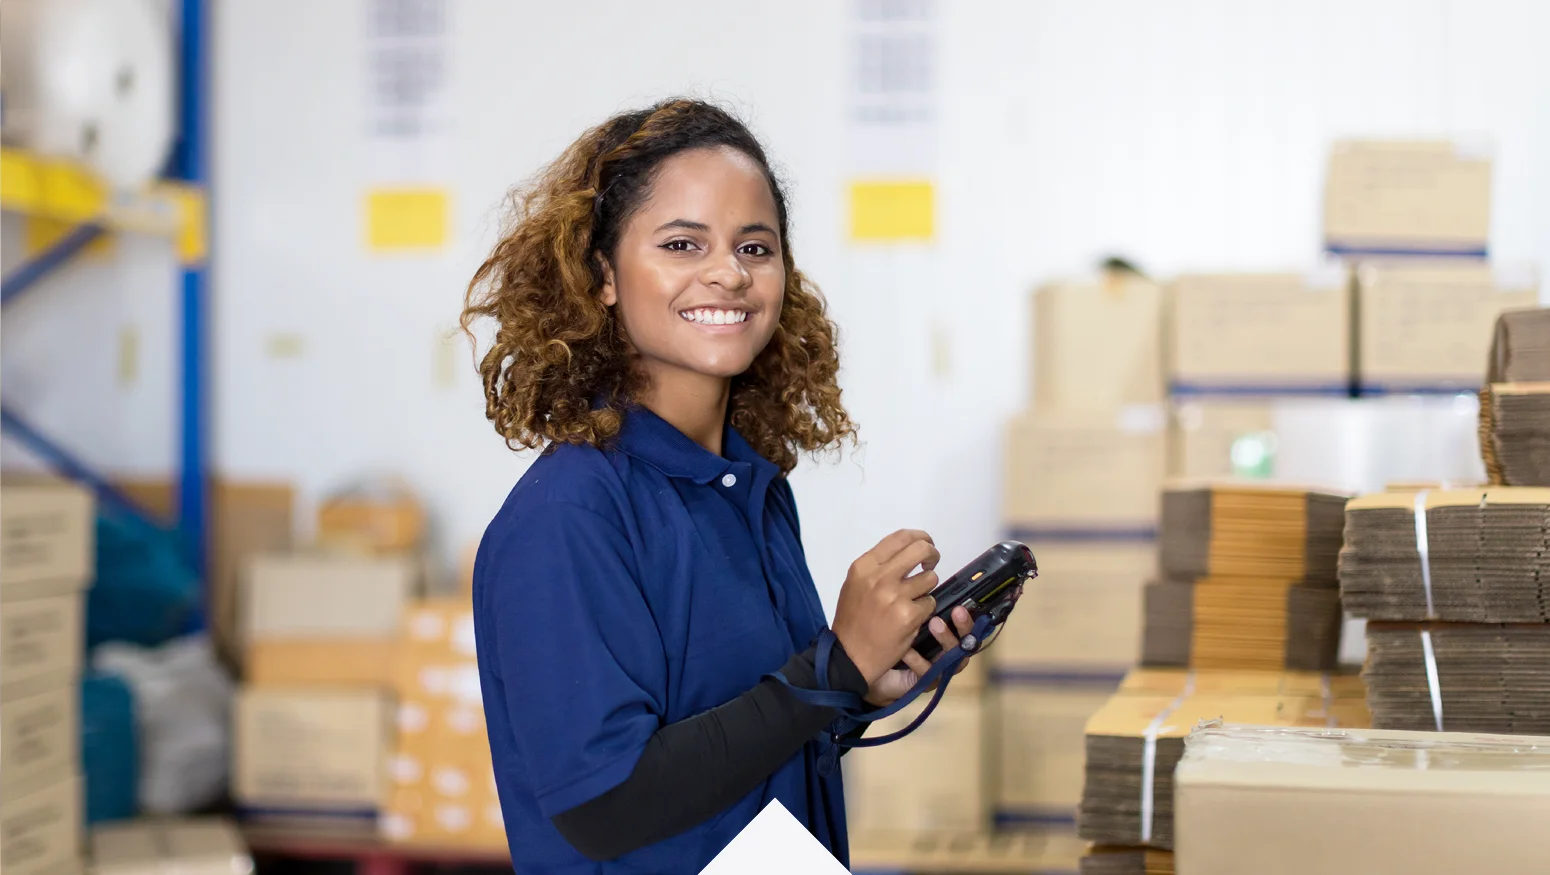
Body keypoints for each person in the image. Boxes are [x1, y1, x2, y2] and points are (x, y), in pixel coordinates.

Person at [461, 98, 977, 874]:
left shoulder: (751, 489)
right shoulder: (569, 514)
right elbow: (606, 805)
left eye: (756, 247)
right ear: (601, 275)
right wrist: (826, 670)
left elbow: (750, 735)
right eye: (681, 243)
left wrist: (863, 680)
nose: (729, 273)